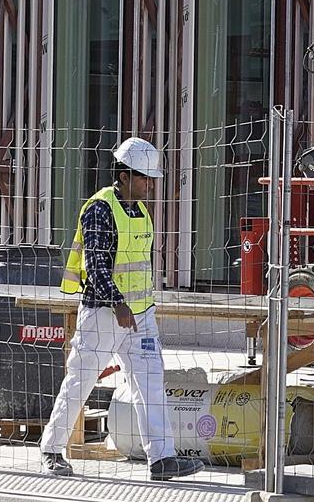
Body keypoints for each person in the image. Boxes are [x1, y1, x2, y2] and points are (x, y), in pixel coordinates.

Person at [40, 137, 204, 482]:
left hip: (140, 315)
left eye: (150, 179)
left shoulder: (141, 212)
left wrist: (136, 310)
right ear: (124, 175)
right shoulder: (100, 209)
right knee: (81, 381)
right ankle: (52, 449)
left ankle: (161, 459)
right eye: (144, 178)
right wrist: (118, 304)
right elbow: (96, 265)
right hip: (104, 313)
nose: (149, 185)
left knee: (151, 384)